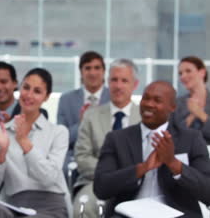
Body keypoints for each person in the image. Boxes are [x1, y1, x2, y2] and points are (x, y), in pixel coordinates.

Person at [94, 81, 210, 217]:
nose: (149, 104)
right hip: (127, 214)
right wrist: (142, 168)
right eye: (146, 98)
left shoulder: (191, 139)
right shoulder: (117, 139)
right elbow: (101, 188)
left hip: (177, 214)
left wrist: (174, 164)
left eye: (157, 100)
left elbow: (207, 192)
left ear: (172, 107)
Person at [0, 68, 69, 218]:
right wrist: (2, 151)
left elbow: (49, 178)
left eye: (37, 91)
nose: (29, 95)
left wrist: (23, 141)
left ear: (46, 97)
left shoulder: (58, 132)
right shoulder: (1, 133)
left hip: (50, 206)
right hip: (15, 204)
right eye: (26, 88)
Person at [0, 61, 47, 202]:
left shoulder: (37, 113)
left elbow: (38, 152)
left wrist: (11, 128)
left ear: (15, 84)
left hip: (25, 182)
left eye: (4, 81)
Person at [73, 58, 140, 218]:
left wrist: (124, 177)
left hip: (136, 183)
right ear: (108, 82)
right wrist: (111, 176)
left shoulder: (144, 118)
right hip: (96, 182)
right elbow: (82, 157)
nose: (118, 86)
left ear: (135, 85)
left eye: (124, 80)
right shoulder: (91, 116)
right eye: (114, 80)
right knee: (83, 207)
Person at [57, 51, 110, 175]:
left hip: (106, 155)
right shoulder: (66, 100)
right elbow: (61, 139)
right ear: (81, 72)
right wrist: (81, 123)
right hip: (74, 157)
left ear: (103, 72)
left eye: (97, 68)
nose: (92, 73)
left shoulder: (114, 98)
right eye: (88, 68)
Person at [174, 56, 210, 144]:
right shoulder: (177, 103)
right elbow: (175, 135)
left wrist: (200, 114)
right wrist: (192, 116)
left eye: (188, 71)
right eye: (180, 73)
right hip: (186, 155)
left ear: (202, 72)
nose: (183, 76)